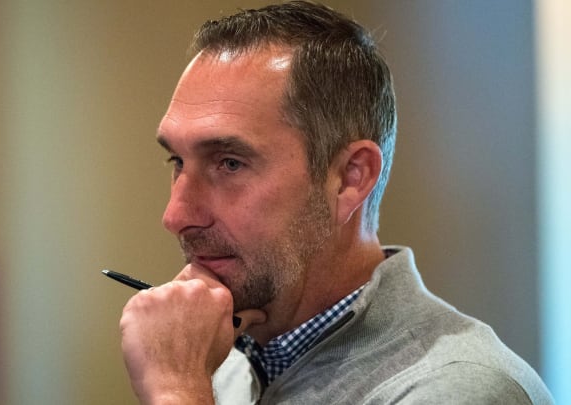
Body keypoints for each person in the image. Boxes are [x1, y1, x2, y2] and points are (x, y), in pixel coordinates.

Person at [117, 1, 554, 404]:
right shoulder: (226, 366)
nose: (175, 216)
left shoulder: (460, 389)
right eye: (178, 161)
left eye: (229, 163)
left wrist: (177, 391)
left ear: (351, 177)